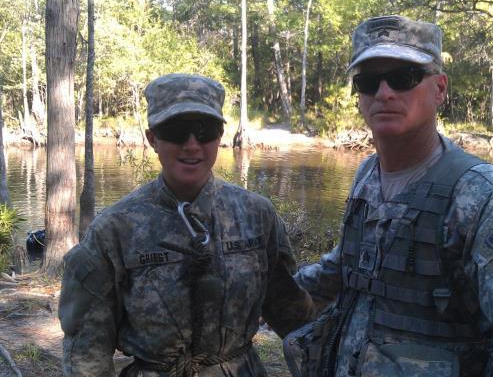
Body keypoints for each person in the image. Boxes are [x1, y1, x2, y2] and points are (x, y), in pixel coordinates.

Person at [284, 15, 493, 376]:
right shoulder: (368, 175)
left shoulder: (481, 194)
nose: (384, 93)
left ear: (440, 88)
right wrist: (270, 287)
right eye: (368, 82)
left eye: (404, 77)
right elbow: (349, 264)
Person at [58, 73, 315, 377]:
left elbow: (294, 316)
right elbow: (87, 346)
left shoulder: (256, 215)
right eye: (177, 131)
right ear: (153, 138)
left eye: (205, 131)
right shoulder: (115, 228)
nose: (192, 144)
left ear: (220, 136)